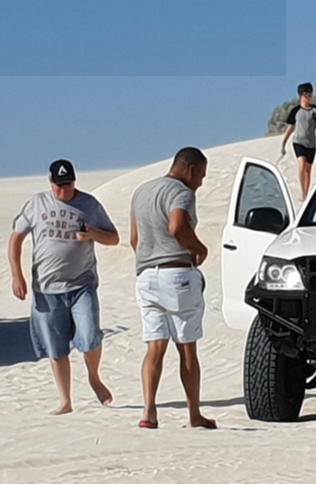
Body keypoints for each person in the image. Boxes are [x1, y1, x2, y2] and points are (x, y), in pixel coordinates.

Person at [9, 159, 120, 415]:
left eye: (68, 185)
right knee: (56, 347)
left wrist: (92, 233)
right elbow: (16, 238)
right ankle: (66, 401)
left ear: (74, 181)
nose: (63, 191)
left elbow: (114, 238)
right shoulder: (37, 204)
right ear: (50, 182)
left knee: (91, 334)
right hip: (47, 289)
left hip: (82, 284)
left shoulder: (89, 205)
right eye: (58, 186)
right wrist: (17, 275)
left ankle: (94, 375)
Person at [130, 147, 216, 429]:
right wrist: (199, 249)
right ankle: (194, 414)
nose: (200, 183)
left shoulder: (141, 192)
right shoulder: (182, 192)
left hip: (146, 276)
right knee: (187, 348)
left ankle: (148, 412)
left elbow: (135, 239)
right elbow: (177, 227)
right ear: (190, 170)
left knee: (154, 347)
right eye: (201, 176)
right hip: (177, 273)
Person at [281, 82, 316, 201]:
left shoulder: (315, 111)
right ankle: (303, 192)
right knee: (302, 163)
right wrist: (283, 143)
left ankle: (307, 192)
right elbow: (290, 128)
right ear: (302, 95)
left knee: (309, 170)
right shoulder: (296, 111)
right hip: (298, 142)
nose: (311, 97)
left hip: (311, 144)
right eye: (308, 94)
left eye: (311, 94)